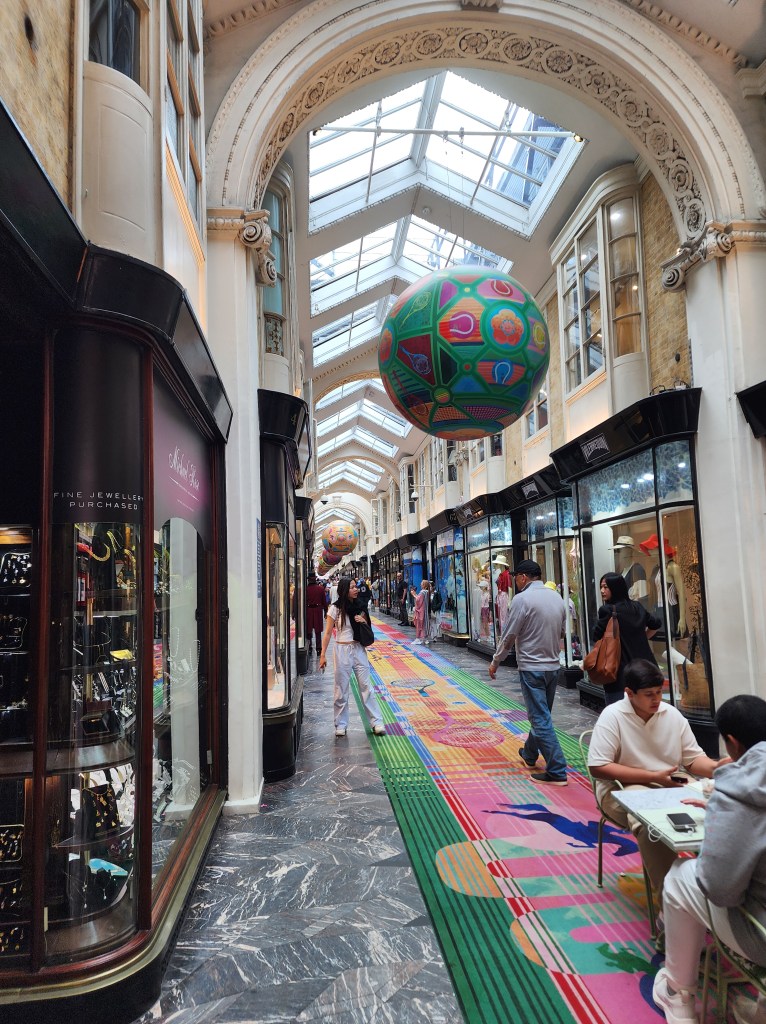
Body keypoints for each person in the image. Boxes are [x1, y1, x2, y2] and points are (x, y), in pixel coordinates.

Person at [653, 694, 766, 1024]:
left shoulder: (738, 790)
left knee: (681, 875)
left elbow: (720, 889)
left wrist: (725, 805)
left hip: (760, 934)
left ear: (731, 743)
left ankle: (677, 992)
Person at [587, 658, 724, 900]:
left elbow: (693, 760)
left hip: (669, 780)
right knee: (649, 820)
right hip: (620, 788)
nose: (656, 699)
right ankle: (669, 900)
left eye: (659, 692)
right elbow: (599, 767)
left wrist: (717, 768)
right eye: (649, 694)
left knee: (717, 804)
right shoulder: (613, 716)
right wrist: (653, 777)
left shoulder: (671, 714)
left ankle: (714, 887)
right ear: (629, 693)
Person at [489, 559, 569, 786]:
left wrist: (496, 661)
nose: (514, 580)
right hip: (553, 666)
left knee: (540, 717)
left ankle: (557, 769)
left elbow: (509, 634)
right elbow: (562, 632)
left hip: (532, 667)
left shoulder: (521, 599)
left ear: (523, 577)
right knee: (542, 715)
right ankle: (530, 754)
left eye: (516, 576)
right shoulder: (557, 598)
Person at [319, 578, 386, 738]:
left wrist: (363, 621)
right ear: (344, 590)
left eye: (356, 587)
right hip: (342, 649)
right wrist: (322, 654)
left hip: (358, 648)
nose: (356, 590)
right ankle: (340, 724)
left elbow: (368, 628)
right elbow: (328, 633)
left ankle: (376, 722)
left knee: (366, 686)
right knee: (341, 688)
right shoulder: (334, 609)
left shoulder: (361, 607)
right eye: (352, 587)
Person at [592, 571, 662, 704]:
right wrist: (642, 638)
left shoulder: (607, 611)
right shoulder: (637, 607)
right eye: (601, 587)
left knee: (620, 717)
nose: (602, 591)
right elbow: (656, 624)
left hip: (619, 673)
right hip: (646, 669)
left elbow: (596, 636)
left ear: (615, 587)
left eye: (605, 587)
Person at [305, 572, 328, 655]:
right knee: (318, 631)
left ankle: (310, 647)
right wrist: (325, 611)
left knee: (309, 630)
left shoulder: (306, 589)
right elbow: (324, 601)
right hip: (318, 610)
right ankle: (318, 648)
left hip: (308, 610)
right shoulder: (320, 589)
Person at [412, 579, 431, 646]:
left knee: (419, 624)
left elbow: (418, 600)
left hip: (421, 611)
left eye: (422, 584)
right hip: (425, 611)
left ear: (424, 585)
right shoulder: (427, 592)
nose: (420, 585)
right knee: (424, 624)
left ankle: (418, 638)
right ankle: (425, 638)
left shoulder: (422, 592)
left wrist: (414, 595)